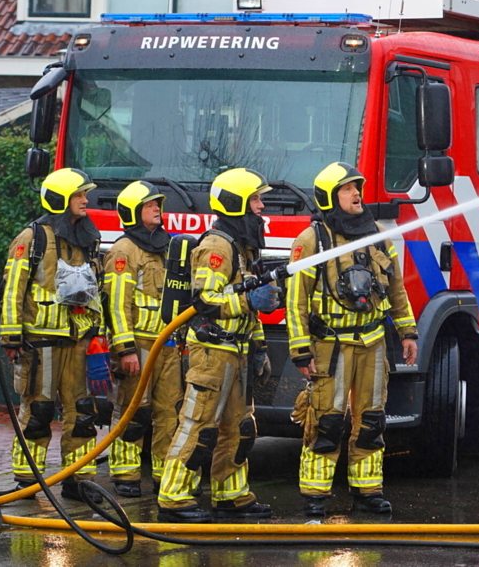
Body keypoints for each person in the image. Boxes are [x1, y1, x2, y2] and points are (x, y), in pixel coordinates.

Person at [286, 162, 418, 516]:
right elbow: (295, 300)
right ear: (330, 197)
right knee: (327, 421)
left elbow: (396, 287)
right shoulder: (312, 241)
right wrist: (300, 350)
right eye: (347, 189)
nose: (356, 194)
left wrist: (407, 332)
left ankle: (368, 491)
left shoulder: (376, 233)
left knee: (372, 420)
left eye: (357, 187)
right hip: (331, 346)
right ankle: (315, 495)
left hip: (373, 343)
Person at [156, 168, 279, 523]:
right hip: (212, 352)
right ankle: (174, 497)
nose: (261, 206)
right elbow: (205, 301)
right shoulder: (216, 246)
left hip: (238, 351)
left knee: (238, 428)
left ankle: (231, 495)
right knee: (199, 425)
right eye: (255, 199)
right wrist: (247, 302)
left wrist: (259, 347)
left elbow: (249, 306)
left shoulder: (241, 245)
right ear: (236, 202)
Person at [0, 168, 107, 501]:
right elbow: (12, 290)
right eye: (78, 196)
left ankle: (79, 480)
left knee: (82, 411)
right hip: (41, 342)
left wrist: (98, 334)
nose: (85, 201)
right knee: (39, 412)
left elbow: (97, 288)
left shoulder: (89, 238)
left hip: (79, 341)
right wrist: (11, 337)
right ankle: (26, 480)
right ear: (61, 199)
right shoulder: (32, 239)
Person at [102, 180, 181, 498]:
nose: (157, 210)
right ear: (134, 212)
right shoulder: (123, 251)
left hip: (168, 343)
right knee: (133, 411)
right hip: (139, 345)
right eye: (150, 206)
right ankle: (125, 474)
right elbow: (117, 304)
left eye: (158, 205)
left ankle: (164, 474)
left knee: (169, 411)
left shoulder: (166, 247)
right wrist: (125, 349)